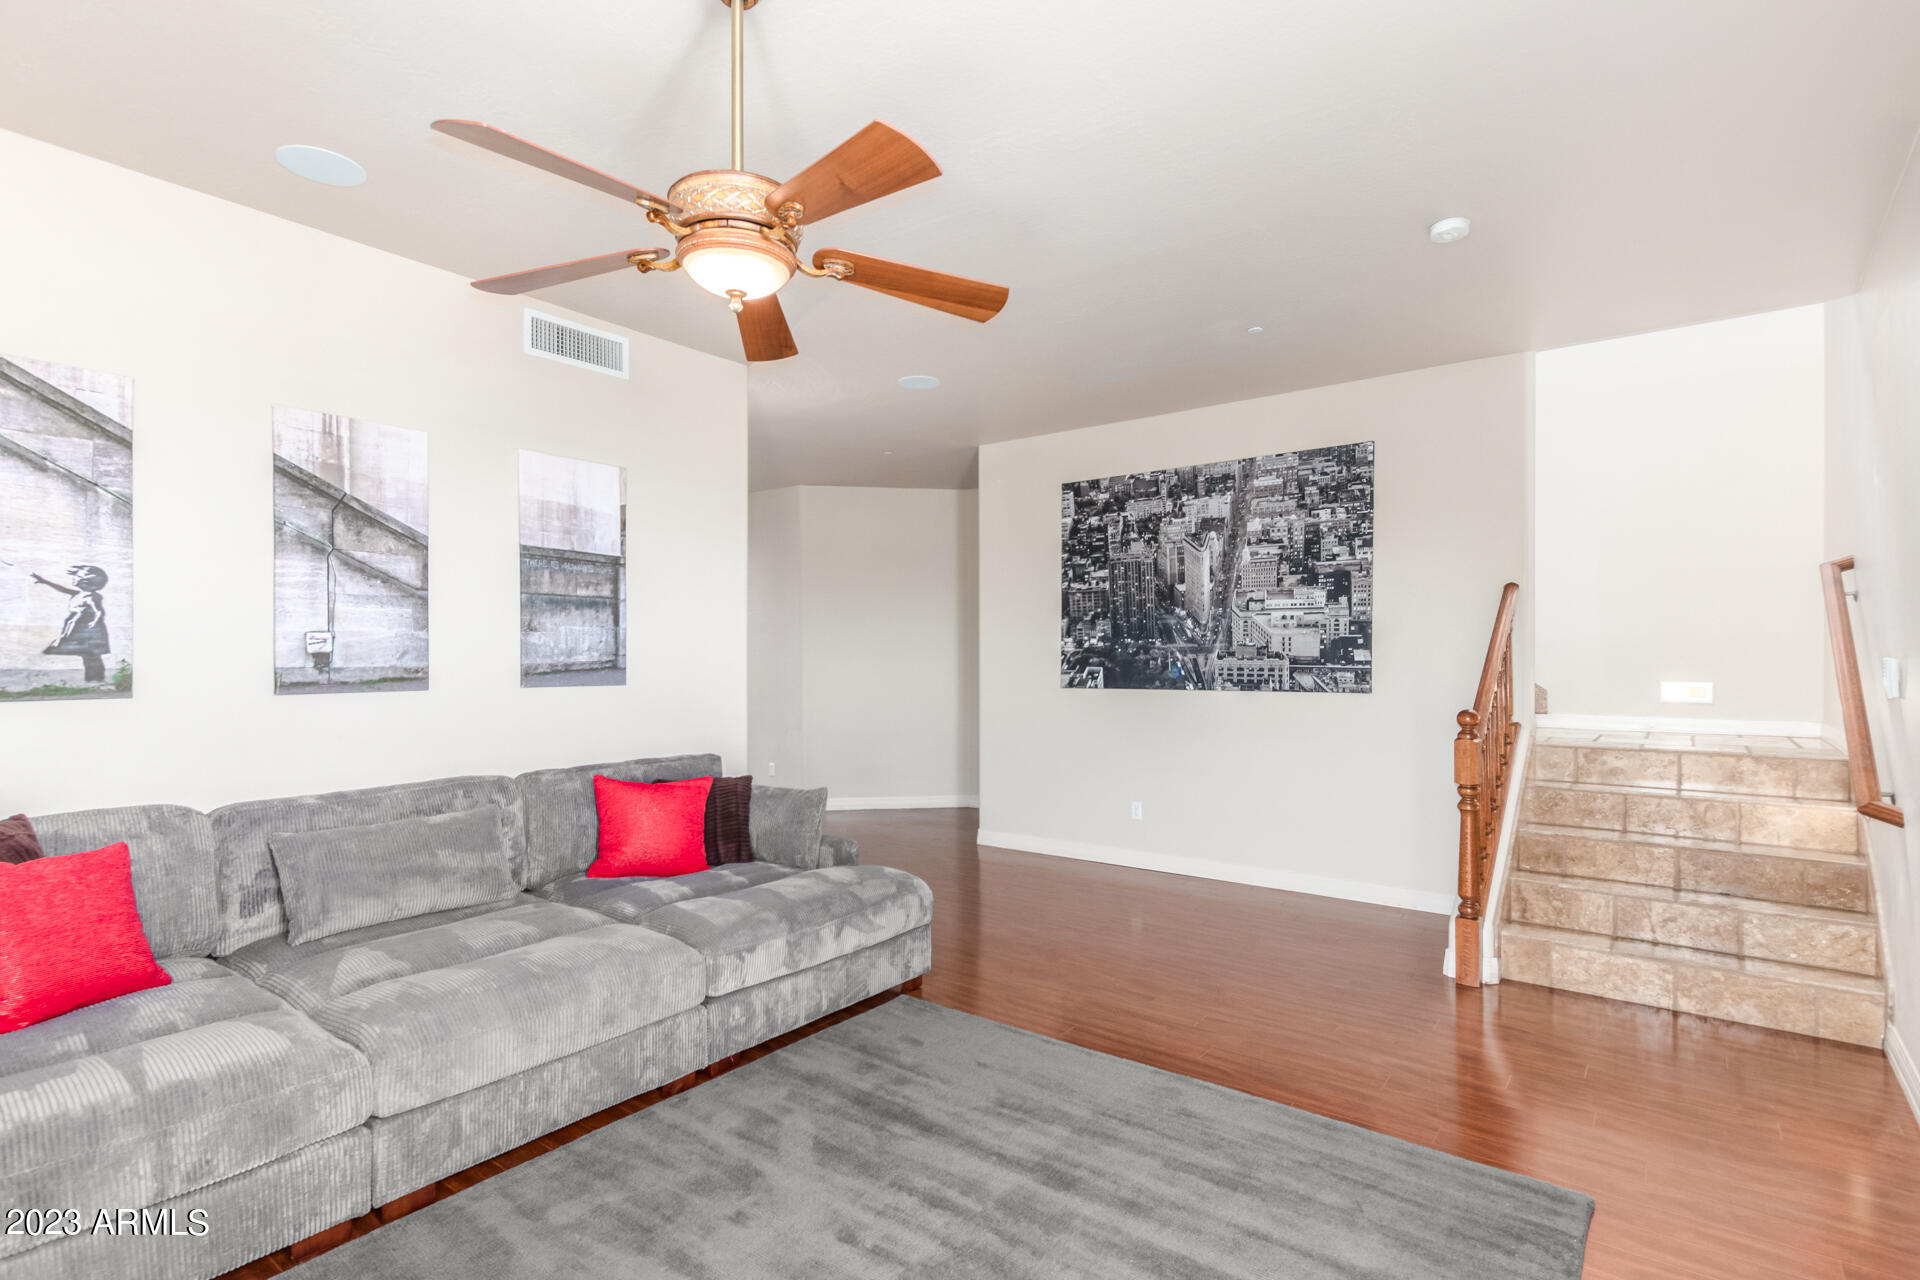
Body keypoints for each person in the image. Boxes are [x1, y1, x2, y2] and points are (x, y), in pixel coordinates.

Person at [31, 564, 112, 683]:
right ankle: (94, 679)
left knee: (91, 655)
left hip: (87, 629)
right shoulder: (78, 594)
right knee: (88, 655)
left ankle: (96, 679)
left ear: (86, 581)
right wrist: (44, 581)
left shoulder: (91, 597)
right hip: (78, 626)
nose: (73, 579)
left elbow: (99, 611)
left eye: (76, 576)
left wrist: (94, 622)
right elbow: (61, 588)